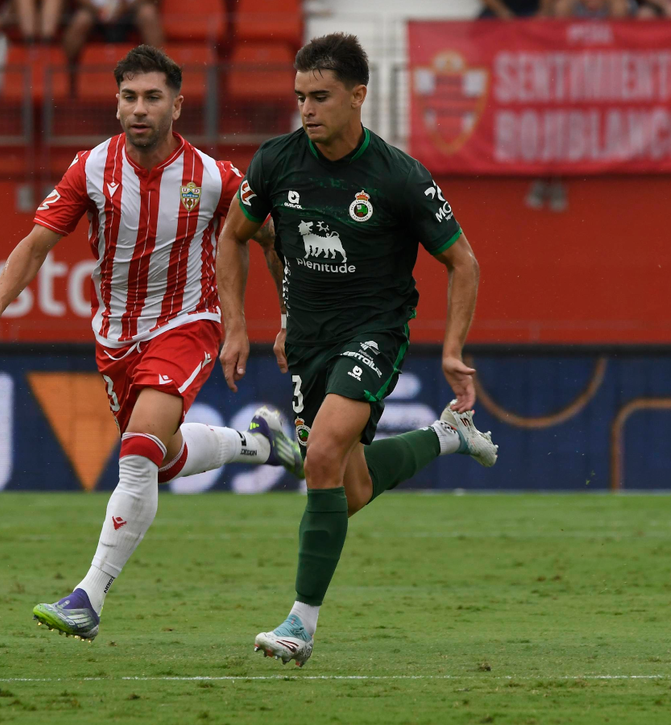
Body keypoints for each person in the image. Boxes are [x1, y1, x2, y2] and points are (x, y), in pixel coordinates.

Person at [0, 45, 303, 643]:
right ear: (117, 105)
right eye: (129, 97)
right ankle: (260, 444)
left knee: (138, 451)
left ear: (177, 105)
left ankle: (88, 596)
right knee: (158, 458)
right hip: (115, 338)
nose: (140, 109)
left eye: (153, 98)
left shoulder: (214, 177)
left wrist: (274, 317)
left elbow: (268, 238)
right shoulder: (89, 169)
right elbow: (34, 245)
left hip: (188, 324)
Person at [217, 33, 499, 668]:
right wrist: (244, 325)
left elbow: (464, 262)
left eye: (320, 97)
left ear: (358, 96)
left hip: (374, 332)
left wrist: (452, 349)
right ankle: (448, 437)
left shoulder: (398, 177)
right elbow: (237, 236)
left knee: (320, 455)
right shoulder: (276, 162)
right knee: (348, 489)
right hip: (311, 340)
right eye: (299, 97)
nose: (307, 110)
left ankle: (300, 624)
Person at [62, 0, 163, 65]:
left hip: (131, 9)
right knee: (81, 20)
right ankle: (67, 75)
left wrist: (125, 6)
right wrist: (98, 10)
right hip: (95, 10)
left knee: (148, 14)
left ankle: (161, 69)